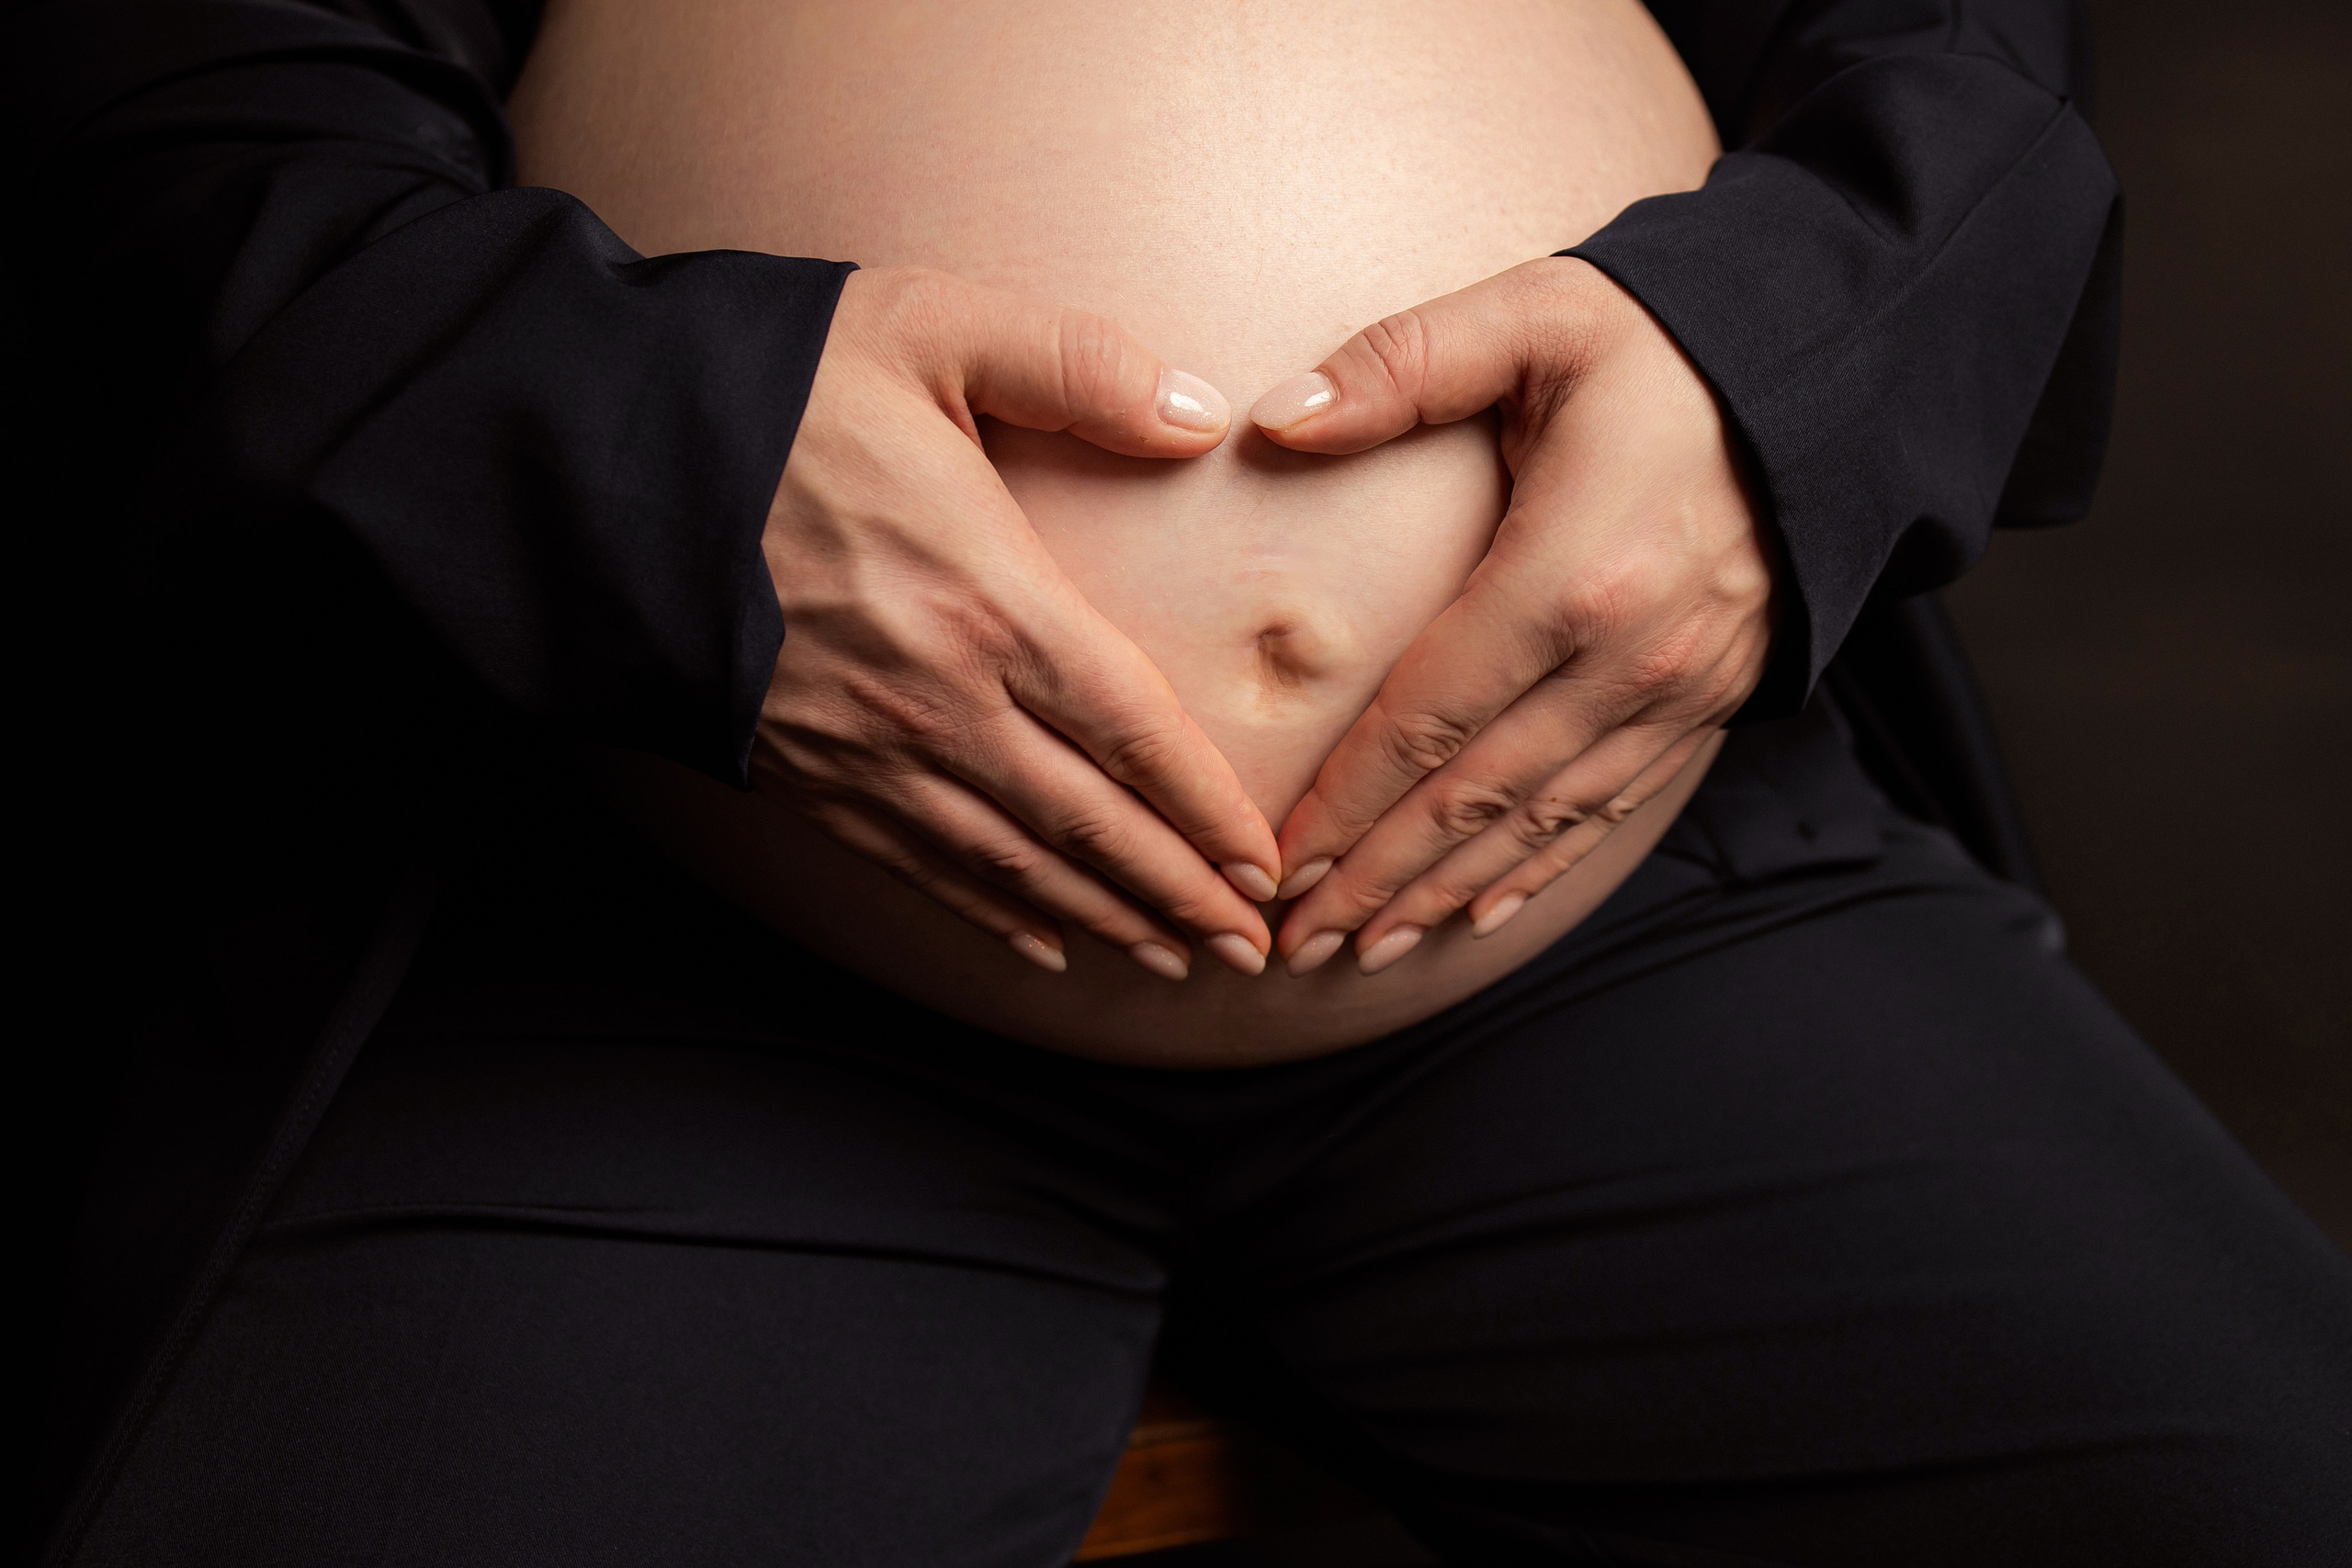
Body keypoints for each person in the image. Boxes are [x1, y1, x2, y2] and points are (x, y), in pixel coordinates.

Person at [13, 1, 2348, 1564]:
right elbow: (155, 105)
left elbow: (1951, 48)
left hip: (1618, 890)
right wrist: (630, 446)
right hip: (626, 918)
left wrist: (1780, 383)